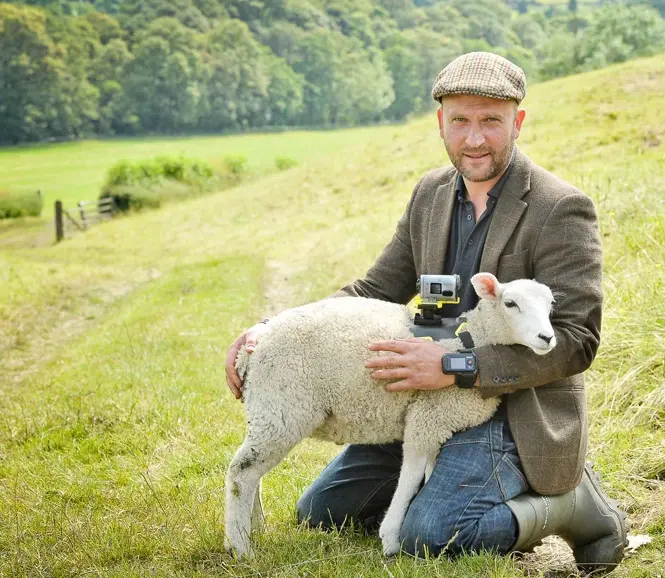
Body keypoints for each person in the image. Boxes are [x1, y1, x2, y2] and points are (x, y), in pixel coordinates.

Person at [224, 52, 626, 573]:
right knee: (323, 514)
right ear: (441, 122)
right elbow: (374, 288)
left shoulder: (560, 207)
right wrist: (269, 330)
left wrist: (454, 368)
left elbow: (577, 340)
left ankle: (572, 504)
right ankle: (434, 480)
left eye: (490, 121)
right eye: (460, 120)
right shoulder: (431, 194)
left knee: (429, 537)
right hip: (416, 407)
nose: (474, 139)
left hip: (505, 410)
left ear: (517, 122)